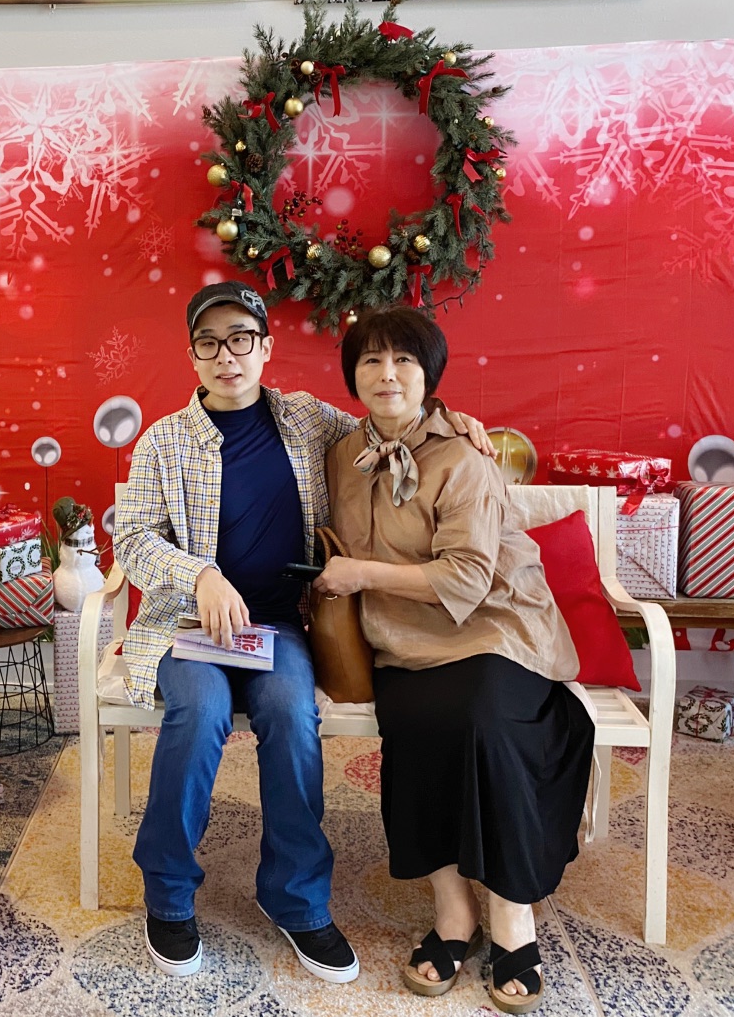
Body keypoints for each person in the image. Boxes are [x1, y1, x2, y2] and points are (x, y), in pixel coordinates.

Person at [114, 282, 492, 982]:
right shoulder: (163, 441)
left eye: (240, 340)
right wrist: (200, 575)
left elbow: (388, 423)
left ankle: (295, 898)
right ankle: (168, 894)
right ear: (192, 354)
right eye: (209, 342)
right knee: (196, 714)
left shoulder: (307, 420)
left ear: (265, 347)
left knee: (292, 713)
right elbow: (133, 540)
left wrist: (449, 418)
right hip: (189, 627)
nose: (226, 356)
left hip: (282, 626)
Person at [312, 306, 595, 1014]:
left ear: (430, 374)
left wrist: (361, 576)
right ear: (351, 375)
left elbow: (467, 580)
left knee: (485, 725)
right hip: (401, 641)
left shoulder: (465, 457)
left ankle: (511, 913)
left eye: (404, 360)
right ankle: (451, 910)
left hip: (494, 629)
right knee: (414, 724)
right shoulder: (337, 451)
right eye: (371, 360)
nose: (387, 374)